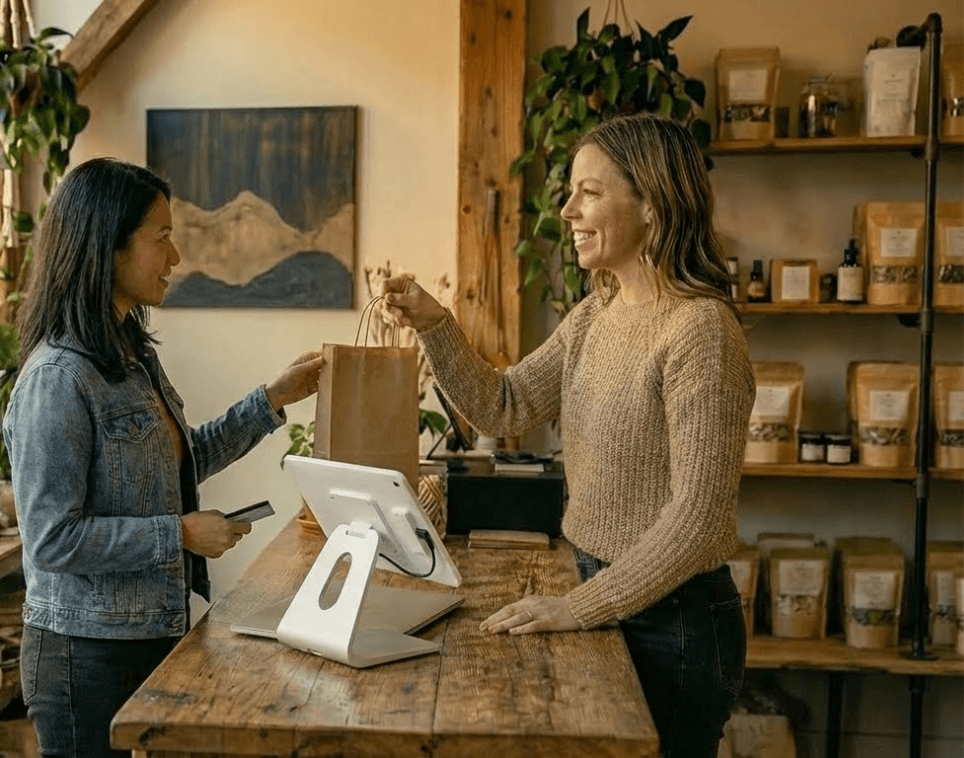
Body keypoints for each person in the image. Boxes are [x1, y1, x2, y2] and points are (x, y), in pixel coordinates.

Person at [382, 114, 755, 758]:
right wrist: (435, 324)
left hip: (674, 624)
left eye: (590, 191)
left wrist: (582, 606)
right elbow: (504, 406)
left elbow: (698, 517)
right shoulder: (595, 314)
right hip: (603, 593)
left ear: (652, 203)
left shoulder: (701, 331)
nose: (566, 208)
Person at [1, 157, 326, 758]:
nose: (175, 258)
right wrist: (175, 533)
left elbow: (178, 464)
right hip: (84, 658)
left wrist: (273, 399)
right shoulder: (55, 378)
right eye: (163, 238)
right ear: (108, 245)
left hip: (152, 635)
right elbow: (50, 540)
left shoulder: (131, 358)